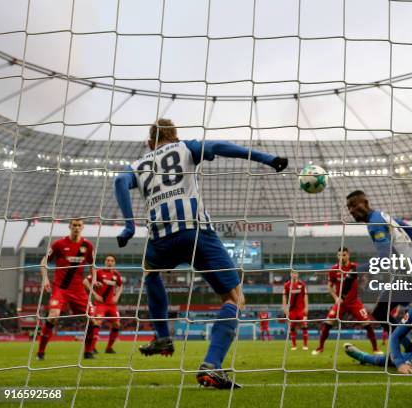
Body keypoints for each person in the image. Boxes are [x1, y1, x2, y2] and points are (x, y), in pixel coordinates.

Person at [114, 118, 288, 389]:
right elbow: (218, 145)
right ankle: (211, 365)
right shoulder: (185, 147)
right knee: (235, 298)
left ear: (149, 143)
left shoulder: (138, 165)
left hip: (160, 237)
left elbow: (118, 182)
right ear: (174, 137)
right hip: (196, 231)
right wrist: (268, 159)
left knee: (150, 273)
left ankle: (162, 336)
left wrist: (128, 225)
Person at [345, 190, 412, 342]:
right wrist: (406, 250)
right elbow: (409, 229)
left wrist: (355, 271)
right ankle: (410, 347)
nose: (351, 210)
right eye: (348, 207)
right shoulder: (382, 216)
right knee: (382, 312)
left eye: (353, 205)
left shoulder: (374, 224)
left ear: (365, 203)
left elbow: (385, 258)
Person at [37, 218, 97, 360]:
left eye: (79, 225)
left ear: (82, 228)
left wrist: (93, 280)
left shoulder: (87, 245)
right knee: (53, 316)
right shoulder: (59, 244)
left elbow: (93, 265)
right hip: (61, 288)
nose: (76, 227)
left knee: (92, 320)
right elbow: (44, 261)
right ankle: (40, 352)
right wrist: (45, 278)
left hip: (78, 290)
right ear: (70, 226)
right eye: (74, 225)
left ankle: (88, 352)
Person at [313, 247, 379, 355]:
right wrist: (336, 298)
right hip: (341, 303)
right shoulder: (334, 269)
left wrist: (363, 284)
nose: (341, 257)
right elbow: (329, 286)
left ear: (348, 255)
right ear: (337, 256)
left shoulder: (355, 267)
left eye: (343, 255)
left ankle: (375, 349)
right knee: (328, 323)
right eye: (339, 255)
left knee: (367, 324)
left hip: (354, 302)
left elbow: (366, 277)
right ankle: (320, 347)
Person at [83, 254, 123, 354]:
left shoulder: (116, 274)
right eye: (108, 260)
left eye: (112, 261)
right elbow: (85, 281)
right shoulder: (98, 272)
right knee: (97, 322)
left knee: (117, 324)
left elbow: (120, 286)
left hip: (112, 305)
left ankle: (109, 348)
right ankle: (91, 348)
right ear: (105, 262)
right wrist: (95, 294)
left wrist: (116, 296)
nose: (110, 262)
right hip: (100, 304)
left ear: (114, 263)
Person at [283, 271, 308, 350]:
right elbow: (284, 296)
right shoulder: (287, 285)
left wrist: (306, 307)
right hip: (292, 310)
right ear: (290, 274)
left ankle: (305, 345)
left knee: (304, 326)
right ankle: (294, 346)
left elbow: (305, 296)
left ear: (298, 275)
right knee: (292, 327)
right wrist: (284, 307)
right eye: (292, 273)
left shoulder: (302, 284)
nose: (294, 275)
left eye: (295, 273)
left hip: (301, 309)